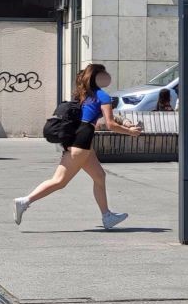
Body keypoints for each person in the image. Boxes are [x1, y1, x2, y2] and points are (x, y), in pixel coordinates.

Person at [12, 64, 141, 230]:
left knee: (99, 176)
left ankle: (107, 216)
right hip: (82, 140)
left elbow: (105, 115)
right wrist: (131, 132)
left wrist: (124, 122)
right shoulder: (103, 95)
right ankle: (24, 201)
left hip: (78, 137)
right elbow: (110, 123)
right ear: (98, 76)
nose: (108, 76)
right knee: (59, 181)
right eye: (104, 73)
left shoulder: (86, 94)